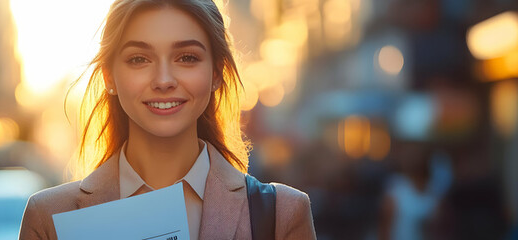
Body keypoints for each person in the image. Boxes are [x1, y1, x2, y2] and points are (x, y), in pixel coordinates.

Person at [18, 0, 315, 239]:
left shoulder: (282, 214)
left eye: (186, 57)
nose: (163, 80)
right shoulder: (50, 218)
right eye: (139, 59)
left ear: (215, 74)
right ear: (110, 76)